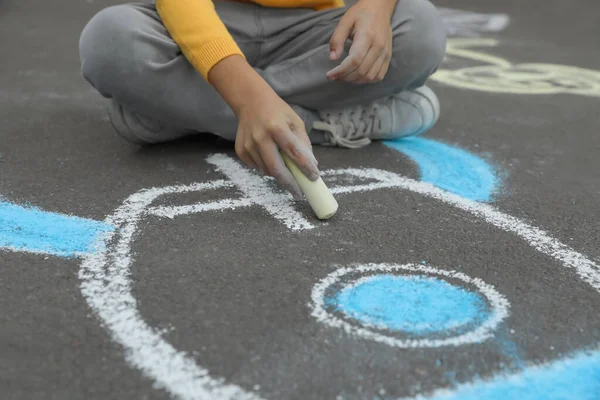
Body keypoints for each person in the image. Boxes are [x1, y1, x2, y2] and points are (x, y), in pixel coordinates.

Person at [79, 0, 446, 199]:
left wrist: (377, 6)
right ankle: (319, 124)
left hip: (310, 31)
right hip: (206, 20)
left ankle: (177, 113)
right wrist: (246, 98)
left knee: (421, 29)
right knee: (109, 38)